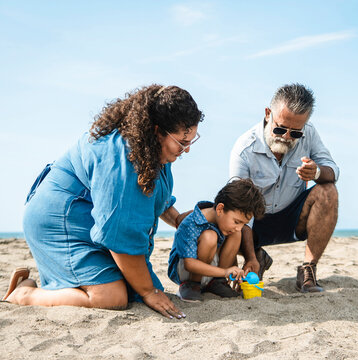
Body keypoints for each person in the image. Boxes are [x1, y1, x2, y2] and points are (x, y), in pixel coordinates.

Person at [3, 85, 203, 319]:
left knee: (134, 288)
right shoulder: (123, 159)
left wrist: (178, 219)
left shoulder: (153, 148)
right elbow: (118, 232)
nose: (186, 149)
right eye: (182, 142)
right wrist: (148, 292)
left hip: (87, 218)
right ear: (157, 131)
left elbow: (153, 194)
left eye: (192, 140)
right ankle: (24, 294)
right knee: (111, 296)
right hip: (58, 220)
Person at [229, 83, 339, 293]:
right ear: (268, 114)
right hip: (254, 223)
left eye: (295, 133)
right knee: (227, 212)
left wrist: (316, 173)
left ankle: (308, 269)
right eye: (280, 128)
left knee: (328, 190)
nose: (286, 137)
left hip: (292, 219)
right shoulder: (244, 148)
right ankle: (258, 257)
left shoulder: (310, 134)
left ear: (305, 125)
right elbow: (237, 208)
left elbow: (333, 170)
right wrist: (250, 258)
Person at [168, 178, 265, 302]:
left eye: (243, 223)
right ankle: (193, 285)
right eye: (236, 222)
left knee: (236, 234)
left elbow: (230, 242)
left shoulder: (225, 223)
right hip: (186, 271)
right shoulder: (191, 222)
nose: (238, 227)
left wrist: (236, 272)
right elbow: (189, 264)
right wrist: (225, 271)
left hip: (213, 271)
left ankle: (218, 283)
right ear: (220, 209)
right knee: (210, 237)